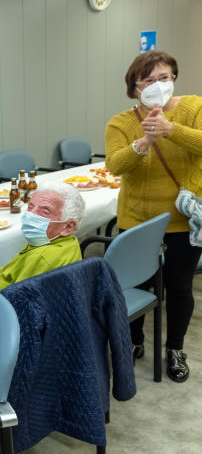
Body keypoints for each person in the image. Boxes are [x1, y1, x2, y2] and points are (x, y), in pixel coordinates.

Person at [105, 50, 202, 383]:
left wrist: (170, 129)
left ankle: (174, 349)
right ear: (135, 88)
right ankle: (135, 341)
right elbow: (115, 165)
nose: (159, 85)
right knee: (132, 284)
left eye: (165, 77)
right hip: (138, 219)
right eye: (149, 80)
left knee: (179, 286)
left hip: (182, 218)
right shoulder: (120, 122)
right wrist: (145, 140)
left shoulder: (194, 108)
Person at [0, 182, 84, 291]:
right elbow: (15, 275)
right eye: (30, 207)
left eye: (44, 211)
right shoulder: (67, 242)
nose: (30, 215)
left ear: (68, 227)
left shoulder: (41, 257)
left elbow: (12, 306)